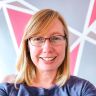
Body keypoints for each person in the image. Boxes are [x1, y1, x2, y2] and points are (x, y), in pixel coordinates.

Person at [0, 9, 96, 96]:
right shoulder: (7, 90)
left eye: (55, 38)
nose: (47, 48)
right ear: (27, 46)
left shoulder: (83, 90)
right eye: (38, 39)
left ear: (66, 44)